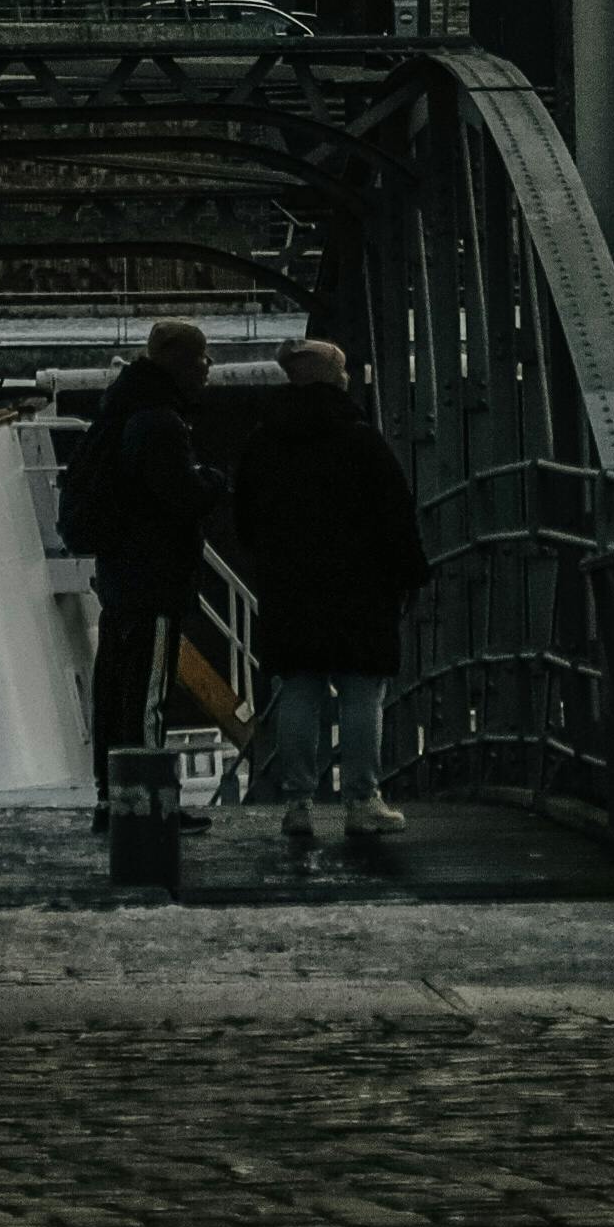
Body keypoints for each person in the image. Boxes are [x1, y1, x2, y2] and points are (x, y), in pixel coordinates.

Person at [225, 334, 428, 860]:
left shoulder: (264, 441)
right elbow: (395, 516)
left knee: (299, 691)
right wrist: (409, 576)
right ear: (336, 380)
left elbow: (243, 517)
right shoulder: (361, 440)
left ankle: (298, 804)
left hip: (291, 589)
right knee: (362, 692)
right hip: (360, 589)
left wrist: (271, 560)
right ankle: (363, 799)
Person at [70, 317, 216, 818]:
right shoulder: (159, 421)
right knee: (150, 694)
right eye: (200, 358)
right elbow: (180, 494)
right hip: (154, 579)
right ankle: (149, 806)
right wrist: (212, 482)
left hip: (119, 576)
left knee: (114, 687)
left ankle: (113, 798)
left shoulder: (121, 410)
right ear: (178, 362)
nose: (207, 368)